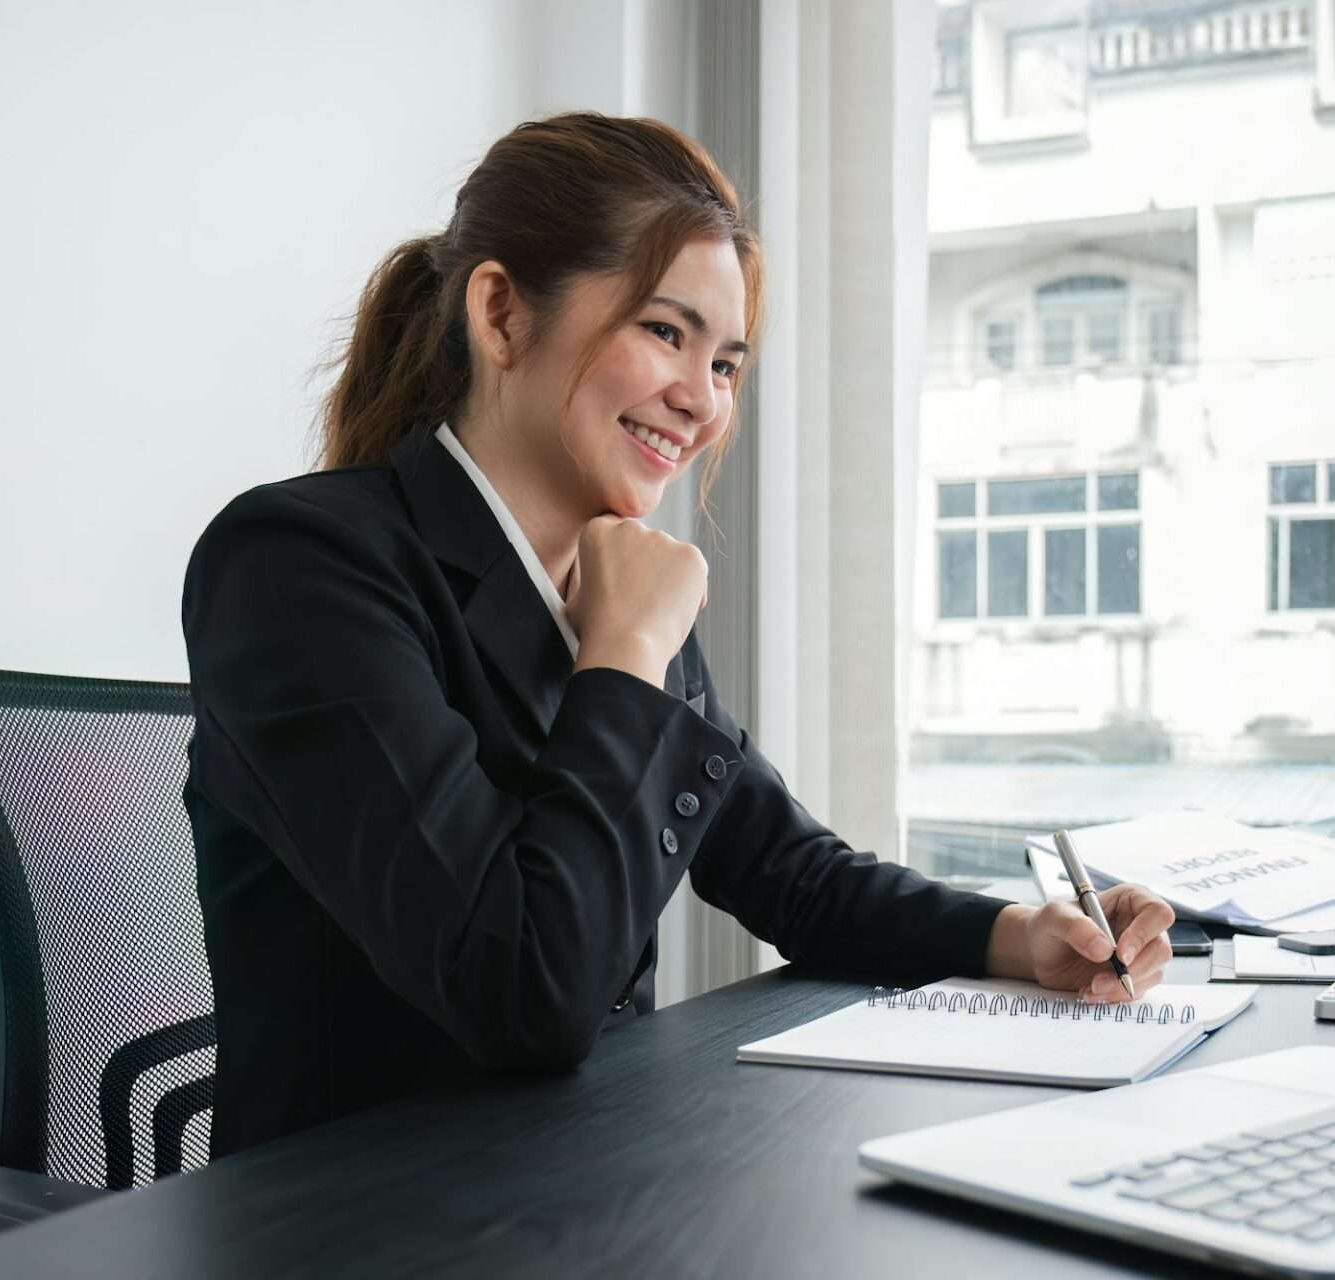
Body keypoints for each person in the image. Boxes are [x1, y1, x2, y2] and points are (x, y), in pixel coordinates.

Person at [181, 112, 1175, 1159]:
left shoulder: (618, 583)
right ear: (503, 313)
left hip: (575, 1179)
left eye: (729, 363)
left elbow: (789, 869)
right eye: (666, 332)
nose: (700, 401)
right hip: (354, 1218)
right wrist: (624, 655)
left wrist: (1012, 935)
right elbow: (524, 989)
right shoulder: (299, 565)